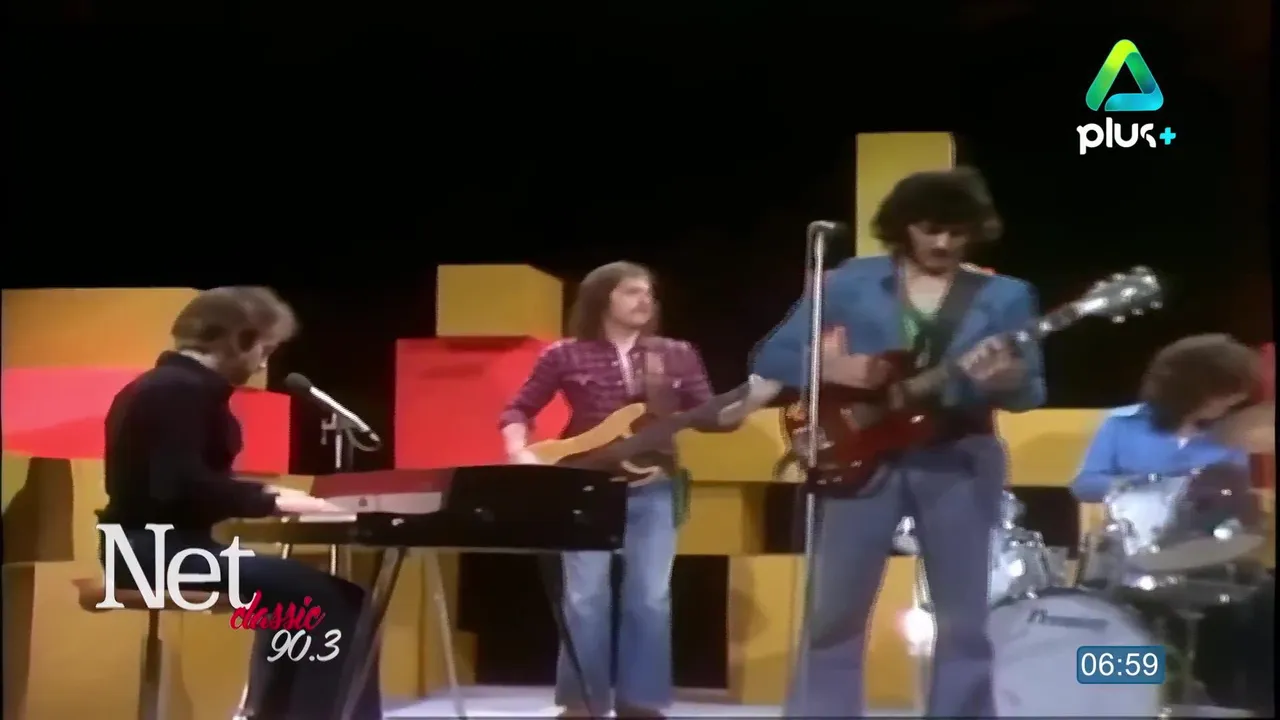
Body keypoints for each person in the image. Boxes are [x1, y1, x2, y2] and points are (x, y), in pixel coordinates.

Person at [746, 167, 1047, 717]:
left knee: (963, 619)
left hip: (960, 457)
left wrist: (1006, 381)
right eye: (931, 229)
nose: (943, 243)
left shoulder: (1005, 296)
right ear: (904, 226)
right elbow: (773, 355)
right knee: (834, 613)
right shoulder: (849, 281)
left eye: (957, 232)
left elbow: (1032, 391)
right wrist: (834, 367)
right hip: (861, 458)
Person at [97, 286, 382, 720]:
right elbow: (178, 485)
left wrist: (268, 497)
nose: (263, 365)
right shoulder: (176, 391)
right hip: (153, 553)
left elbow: (181, 480)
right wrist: (273, 499)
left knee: (306, 600)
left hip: (155, 547)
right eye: (263, 350)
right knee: (337, 602)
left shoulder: (169, 387)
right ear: (240, 340)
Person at [499, 261, 719, 719]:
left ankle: (641, 701)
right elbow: (518, 410)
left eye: (649, 293)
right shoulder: (564, 355)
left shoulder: (676, 354)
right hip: (584, 487)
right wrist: (519, 451)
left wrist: (742, 403)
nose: (645, 300)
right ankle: (583, 701)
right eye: (632, 292)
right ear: (603, 298)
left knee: (650, 598)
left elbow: (711, 414)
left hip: (654, 486)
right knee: (584, 599)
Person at [1071, 333, 1272, 713]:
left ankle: (1229, 700)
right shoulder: (1122, 424)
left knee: (1261, 603)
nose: (1231, 405)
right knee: (1112, 610)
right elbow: (1084, 484)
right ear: (1191, 390)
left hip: (1204, 553)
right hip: (1133, 552)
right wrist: (1146, 485)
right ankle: (1127, 701)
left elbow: (1235, 502)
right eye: (1223, 395)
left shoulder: (1231, 435)